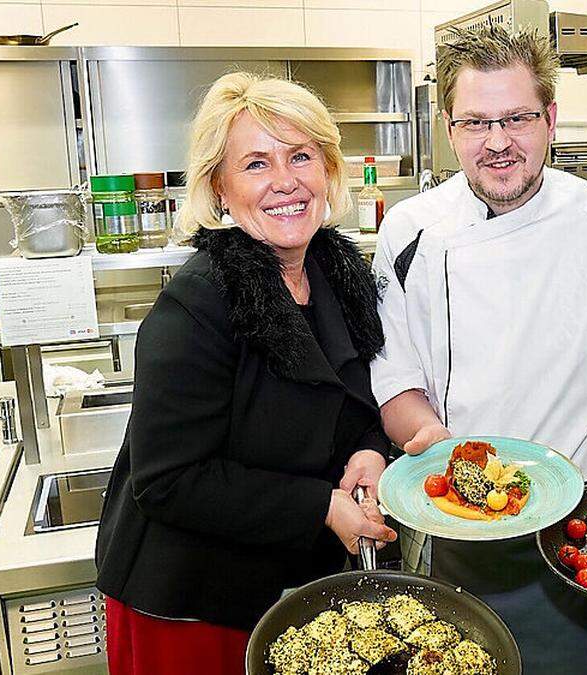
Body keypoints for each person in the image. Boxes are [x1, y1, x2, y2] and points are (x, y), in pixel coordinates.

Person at [370, 24, 587, 674]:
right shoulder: (409, 232)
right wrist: (434, 442)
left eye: (517, 117)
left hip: (580, 528)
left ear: (550, 119)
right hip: (456, 521)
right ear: (448, 129)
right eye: (476, 122)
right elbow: (396, 382)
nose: (499, 141)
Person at [94, 72, 398, 675]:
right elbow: (169, 481)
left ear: (328, 169)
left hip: (285, 583)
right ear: (219, 188)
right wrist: (321, 506)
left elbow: (351, 400)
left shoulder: (338, 277)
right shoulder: (198, 304)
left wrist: (370, 452)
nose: (286, 182)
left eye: (301, 156)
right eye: (256, 164)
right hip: (187, 600)